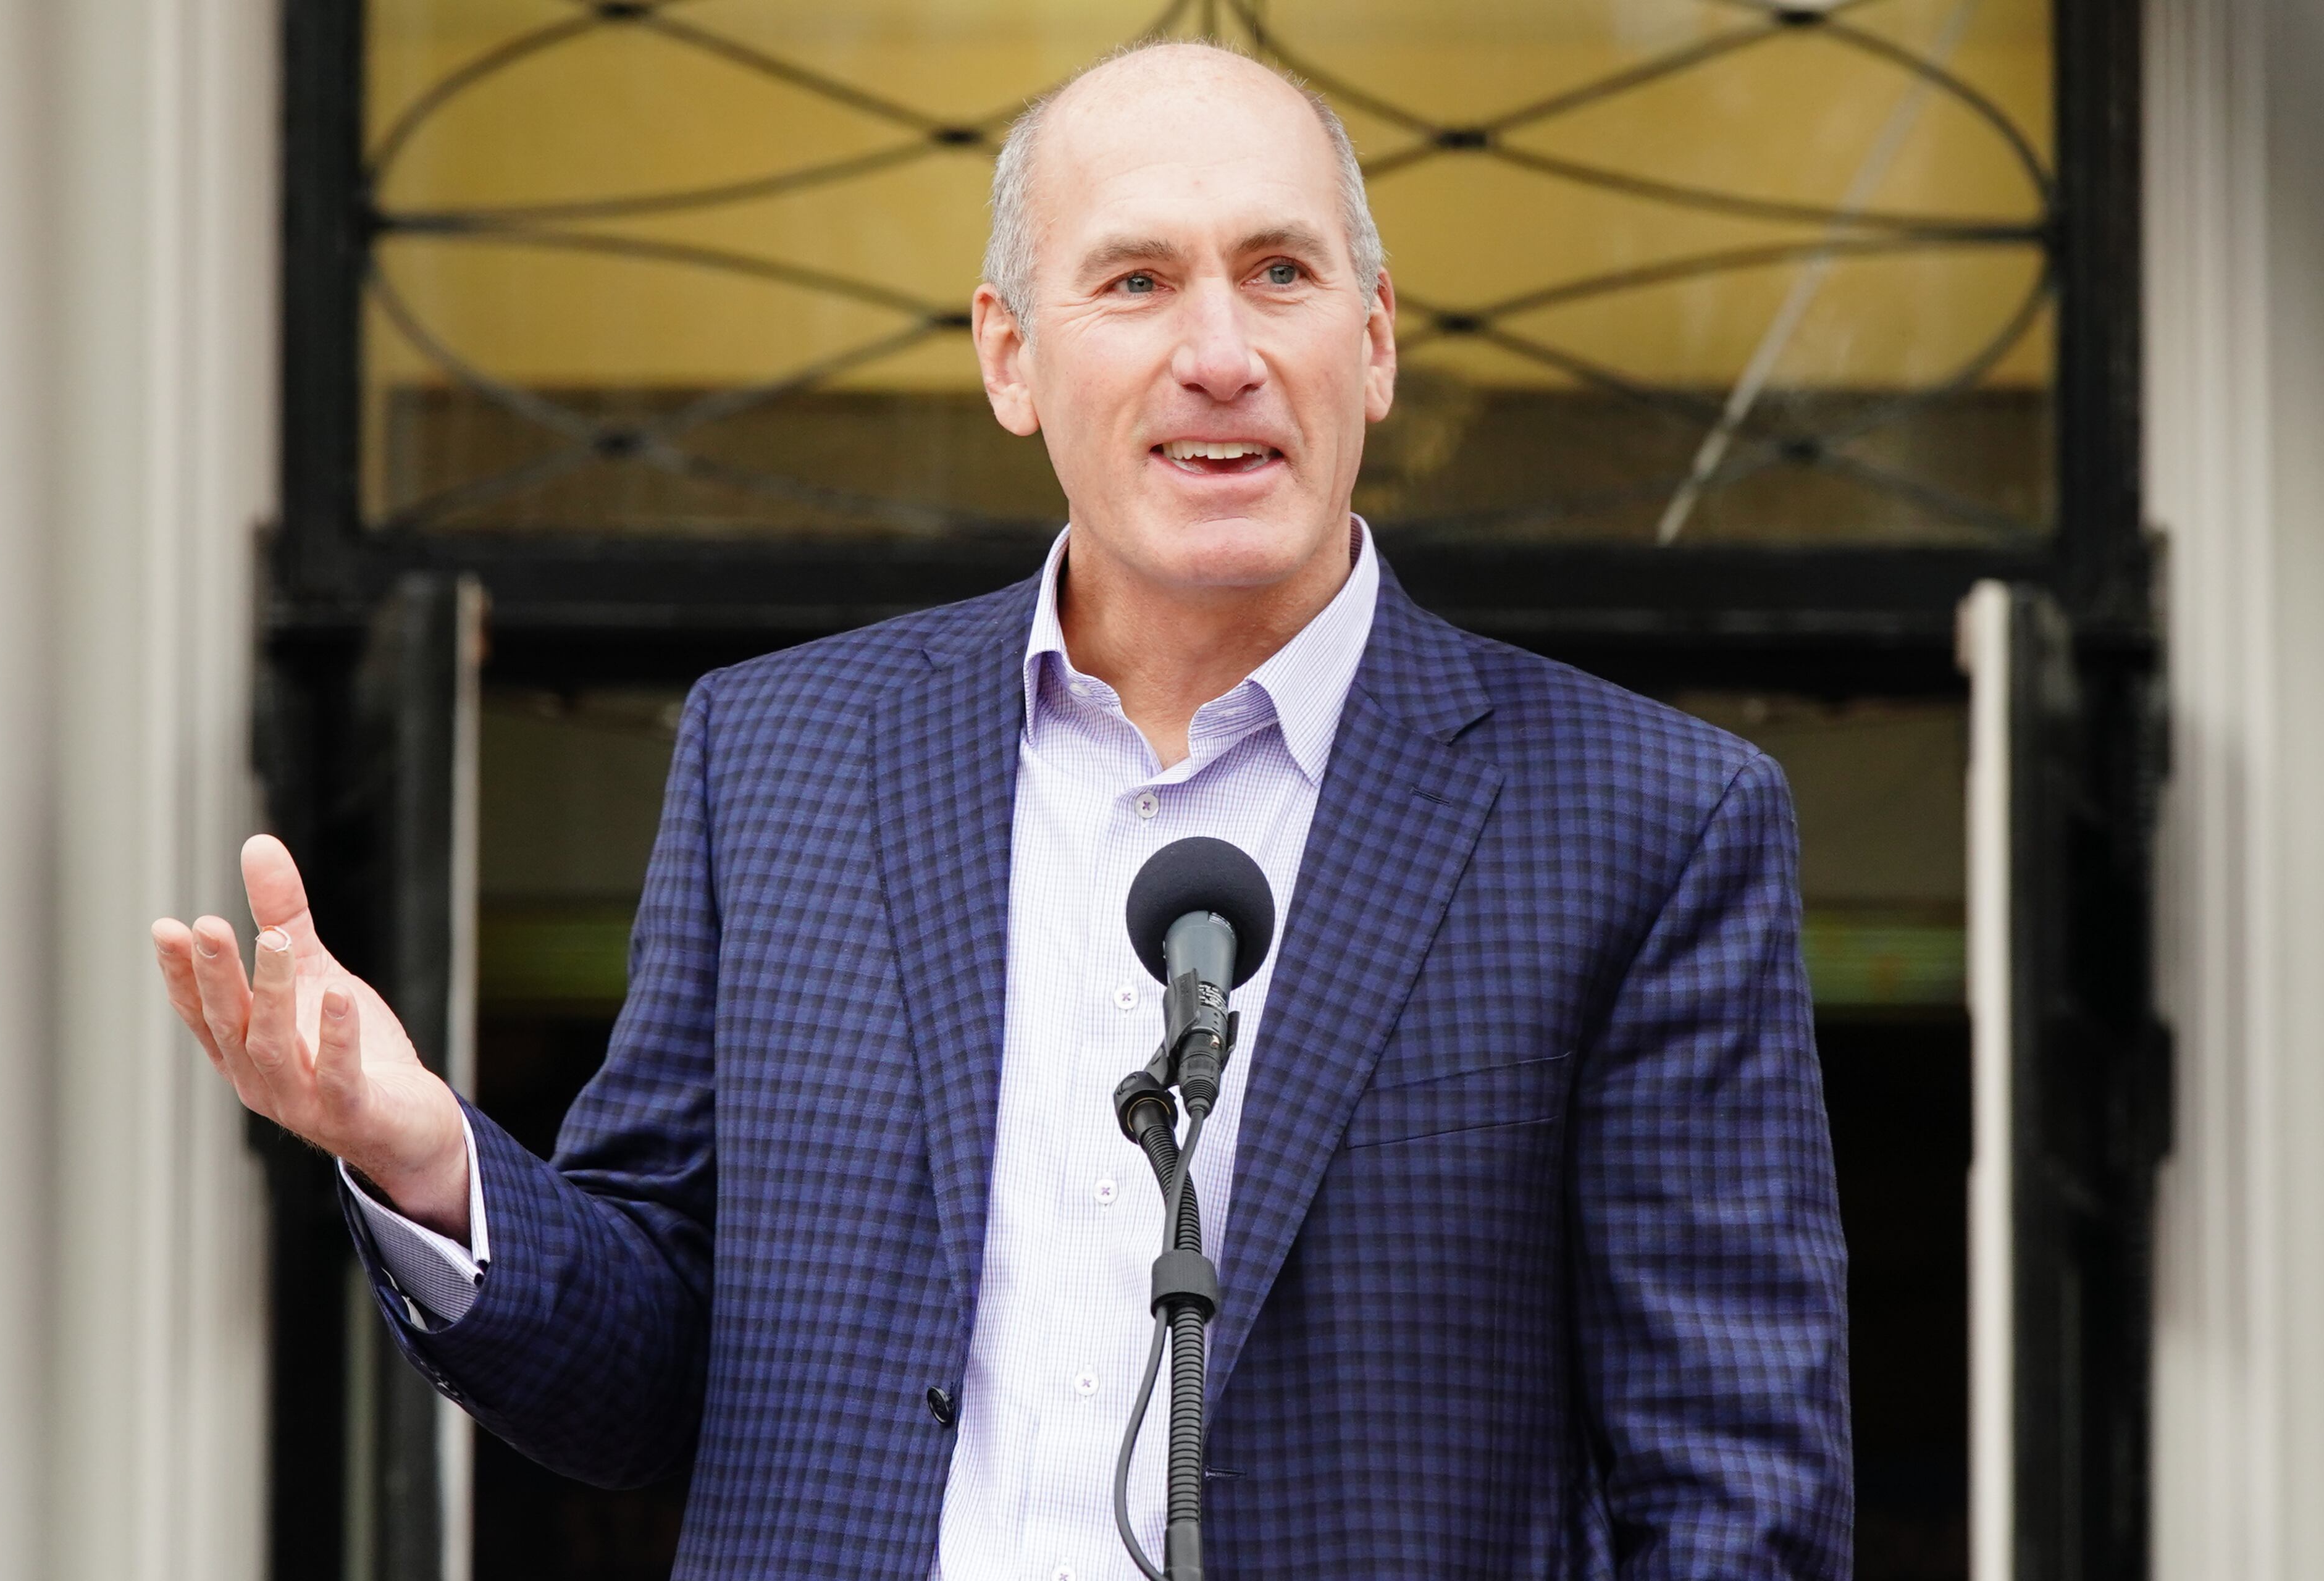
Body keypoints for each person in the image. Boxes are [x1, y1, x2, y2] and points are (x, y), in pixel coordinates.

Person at [151, 39, 1849, 1580]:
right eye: (1137, 280)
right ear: (1011, 355)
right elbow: (651, 1381)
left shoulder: (1647, 822)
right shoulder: (784, 757)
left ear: (1377, 341)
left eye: (1281, 274)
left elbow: (1733, 1496)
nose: (1221, 354)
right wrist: (432, 1159)